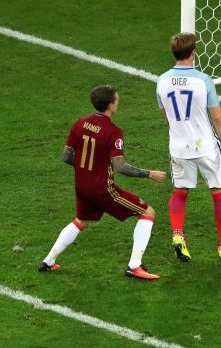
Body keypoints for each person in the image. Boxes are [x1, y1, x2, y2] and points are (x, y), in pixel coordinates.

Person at [39, 85, 166, 280]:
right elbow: (121, 167)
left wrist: (86, 169)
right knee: (147, 212)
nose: (118, 102)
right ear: (110, 105)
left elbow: (66, 156)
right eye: (117, 100)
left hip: (82, 186)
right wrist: (150, 174)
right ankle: (135, 265)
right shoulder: (113, 132)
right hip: (102, 189)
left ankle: (48, 261)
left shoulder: (79, 123)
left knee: (81, 220)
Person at [156, 33, 221, 261]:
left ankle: (178, 234)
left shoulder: (161, 81)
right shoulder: (203, 80)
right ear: (193, 53)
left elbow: (166, 117)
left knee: (180, 191)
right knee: (218, 191)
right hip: (206, 147)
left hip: (179, 147)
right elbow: (218, 118)